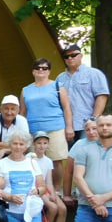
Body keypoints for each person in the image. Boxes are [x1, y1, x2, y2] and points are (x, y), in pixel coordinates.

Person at [19, 58, 73, 192]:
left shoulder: (57, 86)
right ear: (33, 71)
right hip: (33, 130)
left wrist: (69, 127)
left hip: (55, 128)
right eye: (38, 68)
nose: (41, 70)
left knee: (56, 160)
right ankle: (38, 187)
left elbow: (66, 108)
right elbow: (22, 112)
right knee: (33, 160)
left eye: (44, 68)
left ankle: (55, 189)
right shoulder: (26, 90)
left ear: (49, 71)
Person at [56, 44, 110, 145]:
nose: (70, 58)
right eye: (66, 57)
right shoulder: (60, 78)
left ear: (81, 55)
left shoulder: (94, 74)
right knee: (70, 157)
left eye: (73, 55)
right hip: (66, 125)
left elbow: (102, 97)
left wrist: (94, 119)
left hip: (87, 123)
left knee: (87, 155)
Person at [30, 130, 68, 222]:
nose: (42, 146)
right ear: (34, 143)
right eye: (39, 143)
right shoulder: (30, 157)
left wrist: (52, 194)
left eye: (45, 143)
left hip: (46, 188)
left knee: (62, 208)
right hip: (36, 189)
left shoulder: (48, 161)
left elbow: (49, 181)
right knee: (53, 208)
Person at [0, 95, 30, 159]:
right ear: (1, 109)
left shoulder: (22, 120)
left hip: (16, 155)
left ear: (18, 111)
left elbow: (26, 145)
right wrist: (17, 146)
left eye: (13, 109)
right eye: (6, 108)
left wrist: (4, 150)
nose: (9, 112)